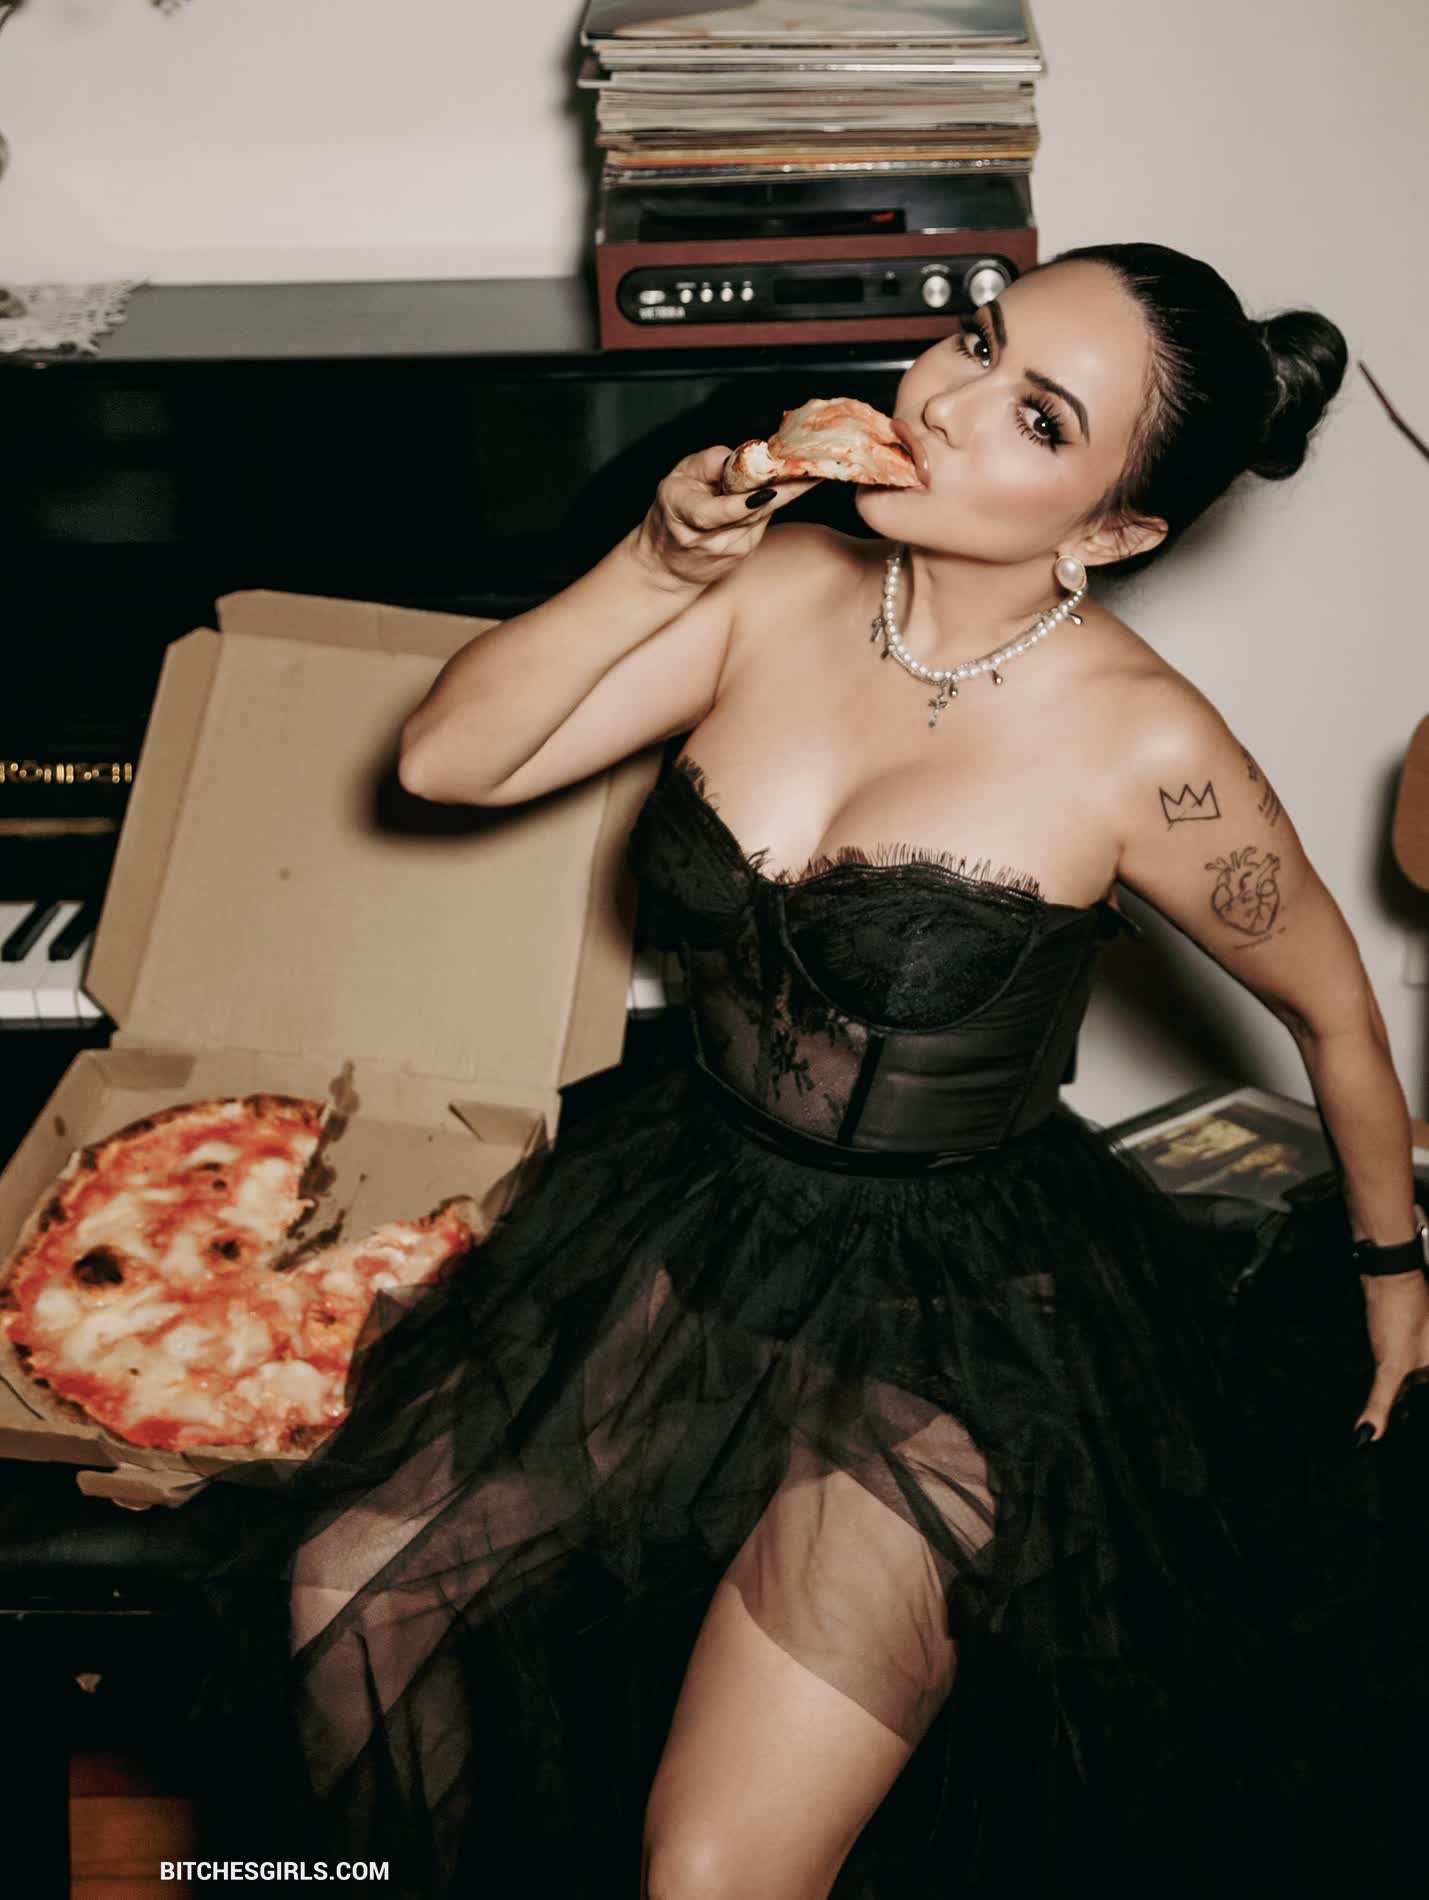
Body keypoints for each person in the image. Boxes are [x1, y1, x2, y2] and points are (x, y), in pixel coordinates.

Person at [200, 243, 1429, 1900]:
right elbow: (448, 761)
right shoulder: (777, 588)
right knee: (348, 1596)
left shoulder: (1145, 745)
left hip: (954, 1311)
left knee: (711, 1873)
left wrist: (1387, 1271)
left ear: (1111, 532)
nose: (949, 400)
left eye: (1039, 418)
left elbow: (1337, 1015)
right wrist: (656, 557)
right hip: (690, 1208)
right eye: (975, 340)